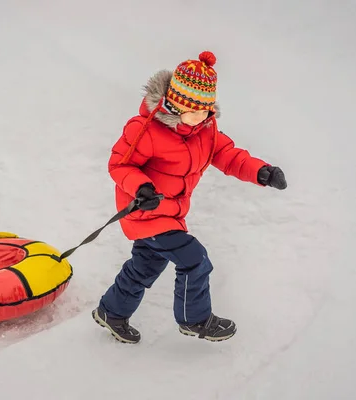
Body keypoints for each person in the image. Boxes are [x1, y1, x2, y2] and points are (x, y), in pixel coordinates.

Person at [92, 51, 287, 344]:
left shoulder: (205, 131)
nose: (201, 118)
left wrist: (262, 171)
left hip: (171, 214)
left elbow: (229, 155)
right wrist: (142, 188)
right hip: (146, 210)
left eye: (206, 111)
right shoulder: (145, 130)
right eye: (194, 111)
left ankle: (111, 312)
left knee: (145, 267)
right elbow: (120, 164)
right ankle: (194, 319)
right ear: (174, 104)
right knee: (195, 259)